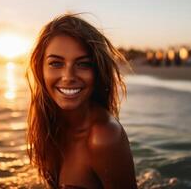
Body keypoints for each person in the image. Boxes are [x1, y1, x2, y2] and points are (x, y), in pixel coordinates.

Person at [26, 14, 137, 189]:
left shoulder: (104, 137)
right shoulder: (48, 123)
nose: (68, 77)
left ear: (97, 72)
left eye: (83, 64)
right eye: (55, 63)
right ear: (40, 69)